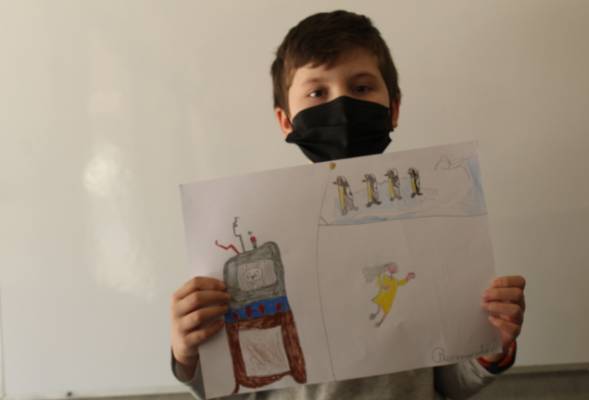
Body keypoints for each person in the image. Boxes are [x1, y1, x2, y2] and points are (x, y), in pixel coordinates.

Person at [170, 10, 526, 400]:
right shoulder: (253, 226)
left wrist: (492, 346)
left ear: (393, 109)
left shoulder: (432, 224)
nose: (340, 105)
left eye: (361, 87)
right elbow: (235, 385)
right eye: (316, 93)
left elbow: (451, 383)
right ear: (286, 121)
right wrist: (190, 355)